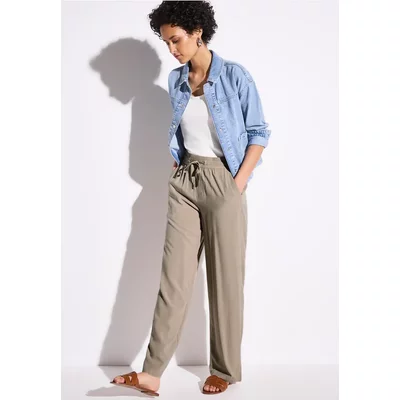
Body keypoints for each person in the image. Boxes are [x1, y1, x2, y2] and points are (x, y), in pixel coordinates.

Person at [111, 1, 271, 396]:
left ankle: (225, 370)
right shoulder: (176, 80)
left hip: (224, 181)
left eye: (176, 40)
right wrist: (179, 163)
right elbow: (184, 131)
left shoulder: (234, 76)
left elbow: (258, 132)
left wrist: (237, 183)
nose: (172, 49)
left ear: (198, 31)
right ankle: (151, 373)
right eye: (166, 42)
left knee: (225, 279)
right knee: (174, 279)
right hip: (186, 179)